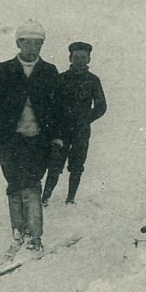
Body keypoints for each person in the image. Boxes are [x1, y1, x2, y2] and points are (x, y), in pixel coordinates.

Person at [0, 20, 61, 252]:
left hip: (38, 141)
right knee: (14, 185)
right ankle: (18, 233)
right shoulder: (5, 70)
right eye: (28, 42)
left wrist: (57, 141)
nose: (33, 47)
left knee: (32, 185)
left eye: (38, 43)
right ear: (18, 43)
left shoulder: (49, 71)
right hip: (11, 140)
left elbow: (59, 109)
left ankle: (35, 237)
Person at [42, 42, 107, 207]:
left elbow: (101, 106)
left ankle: (70, 199)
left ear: (89, 59)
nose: (80, 60)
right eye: (76, 57)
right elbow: (50, 103)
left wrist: (86, 119)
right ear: (70, 58)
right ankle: (45, 198)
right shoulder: (61, 78)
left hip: (81, 130)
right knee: (55, 164)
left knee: (77, 164)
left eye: (83, 57)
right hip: (60, 130)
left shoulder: (93, 80)